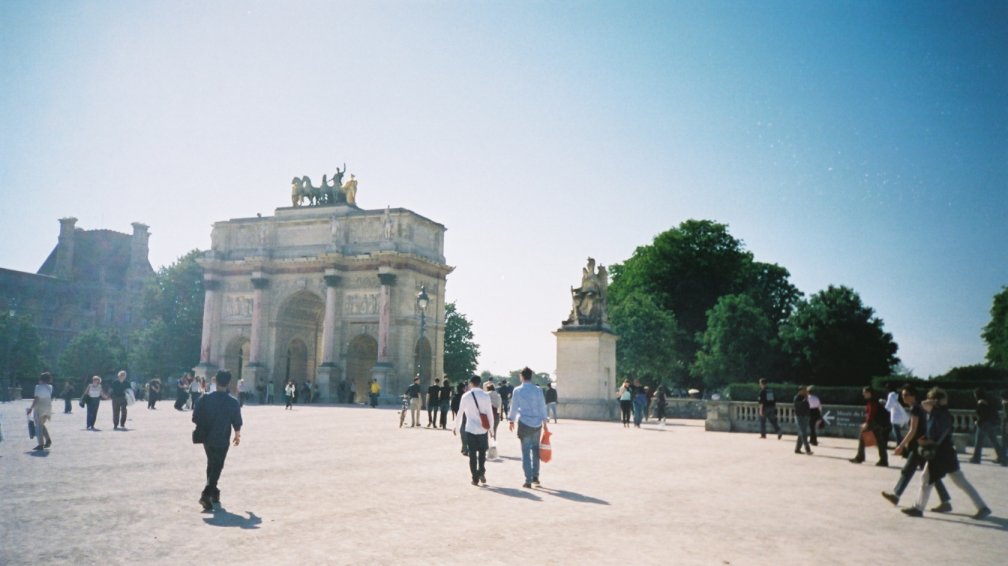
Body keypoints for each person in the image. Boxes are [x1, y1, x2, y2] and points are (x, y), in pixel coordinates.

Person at [901, 388, 990, 519]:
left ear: (936, 400)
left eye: (931, 399)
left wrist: (926, 441)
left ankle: (918, 508)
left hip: (940, 454)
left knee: (928, 479)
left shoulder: (940, 414)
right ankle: (982, 507)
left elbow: (937, 437)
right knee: (958, 481)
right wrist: (937, 401)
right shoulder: (939, 413)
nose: (928, 401)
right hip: (946, 453)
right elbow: (924, 404)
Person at [882, 385, 952, 511]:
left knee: (916, 472)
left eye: (906, 395)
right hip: (921, 445)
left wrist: (901, 445)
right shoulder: (920, 407)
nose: (903, 397)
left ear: (913, 396)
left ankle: (897, 495)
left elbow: (912, 430)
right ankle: (945, 501)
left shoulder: (915, 409)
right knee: (925, 473)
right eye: (902, 395)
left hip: (918, 446)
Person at [192, 370, 243, 512]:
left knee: (212, 464)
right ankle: (206, 494)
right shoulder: (233, 402)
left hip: (207, 437)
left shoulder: (204, 398)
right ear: (228, 383)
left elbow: (195, 417)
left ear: (215, 381)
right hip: (222, 437)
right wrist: (237, 435)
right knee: (217, 466)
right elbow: (237, 421)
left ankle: (214, 492)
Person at [507, 367, 549, 488]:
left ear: (521, 377)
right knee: (535, 451)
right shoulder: (538, 390)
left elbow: (514, 407)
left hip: (524, 423)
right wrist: (545, 423)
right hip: (537, 423)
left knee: (525, 453)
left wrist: (511, 420)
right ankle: (536, 476)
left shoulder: (517, 390)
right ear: (531, 377)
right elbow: (542, 406)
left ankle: (528, 480)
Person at [453, 375, 495, 486]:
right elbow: (490, 414)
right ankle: (481, 471)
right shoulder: (485, 396)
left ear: (471, 383)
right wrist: (491, 429)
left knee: (472, 454)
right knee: (482, 453)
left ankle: (475, 478)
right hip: (483, 429)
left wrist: (456, 427)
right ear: (480, 383)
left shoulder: (466, 396)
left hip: (470, 429)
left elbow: (460, 413)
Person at [850, 386, 890, 466]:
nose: (863, 394)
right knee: (880, 441)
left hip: (873, 422)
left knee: (862, 437)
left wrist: (867, 423)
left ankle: (860, 457)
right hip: (878, 423)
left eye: (864, 392)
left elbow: (871, 413)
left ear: (869, 393)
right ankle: (884, 460)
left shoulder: (872, 401)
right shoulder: (874, 400)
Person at [969, 388, 1006, 465]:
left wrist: (977, 422)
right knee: (994, 441)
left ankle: (976, 458)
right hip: (989, 424)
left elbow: (983, 416)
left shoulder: (980, 402)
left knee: (978, 442)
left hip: (983, 425)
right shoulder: (987, 401)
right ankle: (1001, 457)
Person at [26, 372, 54, 450]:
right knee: (41, 425)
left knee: (38, 426)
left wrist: (31, 408)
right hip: (48, 407)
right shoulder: (50, 387)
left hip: (39, 408)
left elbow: (36, 399)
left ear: (41, 379)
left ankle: (40, 444)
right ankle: (48, 440)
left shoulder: (38, 387)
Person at [793, 385, 813, 455]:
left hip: (805, 417)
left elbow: (808, 407)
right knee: (803, 433)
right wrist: (806, 398)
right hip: (799, 417)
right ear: (800, 391)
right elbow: (800, 405)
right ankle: (807, 449)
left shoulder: (806, 397)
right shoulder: (797, 397)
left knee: (801, 433)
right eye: (804, 390)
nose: (805, 391)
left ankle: (797, 449)